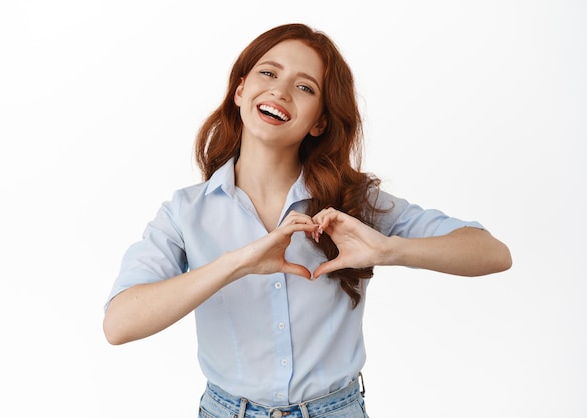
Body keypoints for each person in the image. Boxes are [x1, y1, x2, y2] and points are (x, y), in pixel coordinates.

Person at [103, 23, 512, 418]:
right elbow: (119, 324)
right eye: (268, 72)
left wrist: (389, 249)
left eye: (304, 87)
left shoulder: (353, 202)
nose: (280, 91)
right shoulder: (184, 212)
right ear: (241, 89)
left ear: (319, 120)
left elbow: (492, 254)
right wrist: (237, 264)